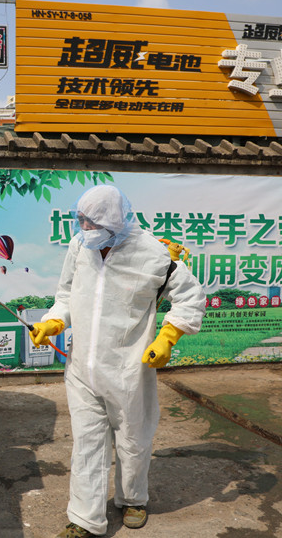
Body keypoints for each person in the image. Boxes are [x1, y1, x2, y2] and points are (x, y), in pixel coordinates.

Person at [30, 185, 206, 537]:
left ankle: (133, 499)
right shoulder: (80, 246)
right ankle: (85, 520)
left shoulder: (152, 253)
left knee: (133, 439)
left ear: (114, 220)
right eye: (81, 220)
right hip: (82, 367)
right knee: (87, 444)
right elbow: (66, 294)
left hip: (128, 369)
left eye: (92, 222)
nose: (84, 228)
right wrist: (54, 320)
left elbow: (190, 296)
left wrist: (168, 336)